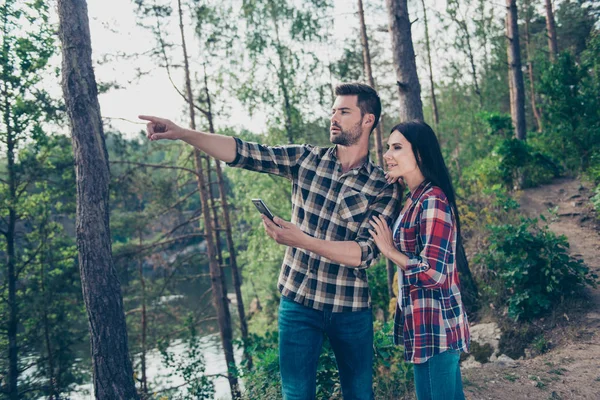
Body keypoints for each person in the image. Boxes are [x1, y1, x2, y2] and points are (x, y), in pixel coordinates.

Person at [139, 82, 398, 400]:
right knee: (296, 394)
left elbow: (367, 254)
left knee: (360, 395)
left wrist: (302, 240)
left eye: (344, 112)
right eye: (333, 111)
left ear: (367, 120)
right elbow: (244, 152)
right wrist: (182, 133)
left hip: (350, 309)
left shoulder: (381, 186)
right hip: (298, 304)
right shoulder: (307, 159)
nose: (333, 117)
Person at [368, 121, 470, 400]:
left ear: (421, 155)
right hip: (422, 326)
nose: (388, 154)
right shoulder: (415, 198)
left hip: (437, 325)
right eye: (388, 148)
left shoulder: (433, 200)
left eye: (397, 147)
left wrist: (390, 251)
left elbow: (434, 274)